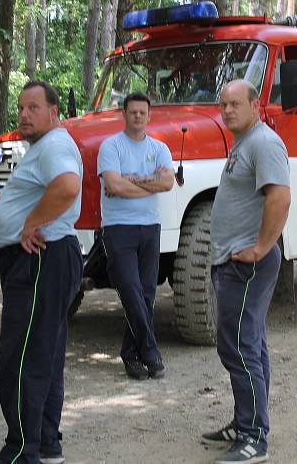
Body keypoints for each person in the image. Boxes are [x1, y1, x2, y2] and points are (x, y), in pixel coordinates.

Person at [0, 81, 83, 464]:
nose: (24, 114)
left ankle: (22, 451)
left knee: (20, 358)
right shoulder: (43, 147)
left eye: (34, 107)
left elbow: (67, 186)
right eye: (21, 107)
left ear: (54, 111)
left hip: (41, 257)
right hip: (42, 259)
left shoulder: (56, 144)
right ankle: (44, 445)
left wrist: (29, 224)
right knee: (44, 353)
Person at [202, 79, 291, 464]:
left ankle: (254, 437)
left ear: (256, 105)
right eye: (223, 105)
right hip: (235, 262)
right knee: (249, 343)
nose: (227, 111)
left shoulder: (264, 142)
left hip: (246, 265)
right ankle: (247, 423)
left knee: (237, 345)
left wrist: (261, 247)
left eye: (235, 104)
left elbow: (280, 196)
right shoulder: (245, 142)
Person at [97, 92, 173, 380]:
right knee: (130, 291)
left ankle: (131, 355)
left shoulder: (160, 148)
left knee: (146, 293)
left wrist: (131, 180)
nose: (138, 116)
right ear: (124, 115)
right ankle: (151, 353)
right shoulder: (111, 147)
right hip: (118, 228)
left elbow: (167, 183)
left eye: (143, 112)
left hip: (150, 227)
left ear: (149, 115)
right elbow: (114, 185)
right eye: (133, 112)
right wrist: (147, 182)